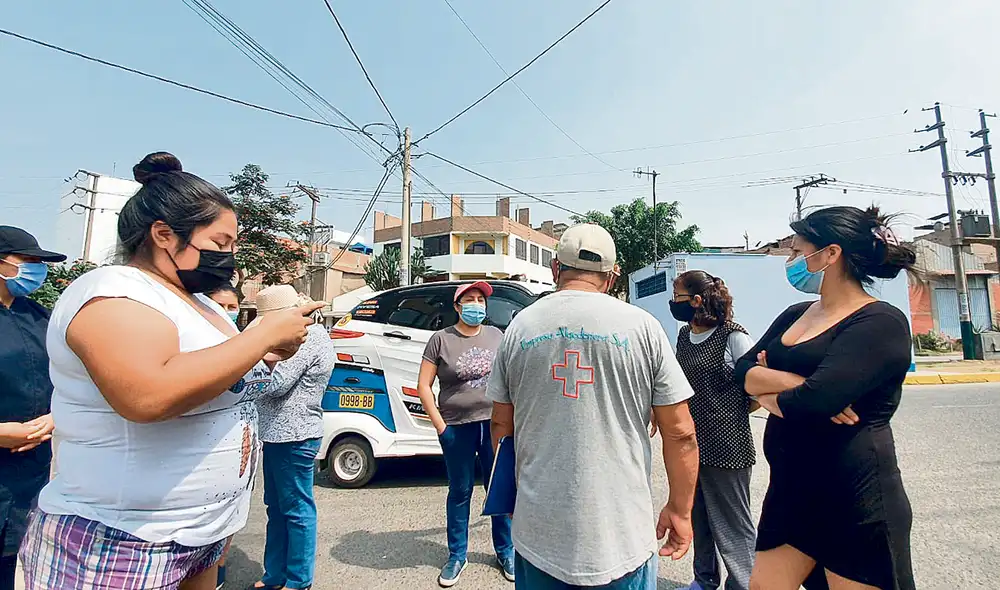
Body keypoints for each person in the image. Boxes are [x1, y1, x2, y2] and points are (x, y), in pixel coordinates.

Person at [19, 152, 322, 590]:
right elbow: (147, 395)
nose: (230, 256)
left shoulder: (198, 303)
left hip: (200, 532)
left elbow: (215, 370)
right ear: (163, 234)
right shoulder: (114, 293)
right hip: (123, 538)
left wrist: (269, 352)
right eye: (220, 242)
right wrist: (260, 338)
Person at [487, 224, 700, 590]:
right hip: (623, 537)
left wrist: (509, 496)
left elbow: (501, 427)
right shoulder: (643, 327)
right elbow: (680, 432)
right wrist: (680, 510)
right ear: (612, 276)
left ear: (556, 268)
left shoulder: (520, 328)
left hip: (540, 534)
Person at [733, 206, 916, 590]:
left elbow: (813, 402)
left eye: (798, 251)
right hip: (791, 493)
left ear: (831, 254)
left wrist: (766, 389)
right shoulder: (795, 313)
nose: (791, 260)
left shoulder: (880, 322)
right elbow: (741, 372)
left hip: (854, 498)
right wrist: (794, 383)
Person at [416, 280, 514, 587]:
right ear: (457, 307)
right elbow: (423, 386)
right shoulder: (441, 340)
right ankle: (457, 555)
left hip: (494, 424)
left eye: (481, 300)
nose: (476, 305)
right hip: (456, 427)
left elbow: (509, 378)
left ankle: (506, 550)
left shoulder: (496, 335)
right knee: (460, 492)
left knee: (498, 487)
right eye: (470, 300)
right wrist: (441, 427)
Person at [669, 270, 757, 590]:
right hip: (691, 443)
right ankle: (704, 580)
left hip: (728, 445)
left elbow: (757, 389)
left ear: (696, 300)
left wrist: (728, 415)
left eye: (677, 297)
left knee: (733, 523)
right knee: (700, 517)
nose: (673, 303)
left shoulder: (732, 336)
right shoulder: (684, 336)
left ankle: (744, 584)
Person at [248, 284, 335, 590]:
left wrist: (250, 358)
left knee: (296, 509)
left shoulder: (307, 338)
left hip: (294, 433)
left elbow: (276, 384)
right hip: (277, 433)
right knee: (276, 507)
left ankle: (298, 580)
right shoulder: (299, 336)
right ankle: (275, 574)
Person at [0, 226, 65, 590]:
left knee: (12, 563)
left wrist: (55, 417)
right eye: (27, 261)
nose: (36, 270)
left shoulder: (41, 317)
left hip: (29, 472)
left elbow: (69, 378)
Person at [205, 283, 241, 590]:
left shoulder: (242, 340)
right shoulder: (193, 339)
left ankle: (218, 571)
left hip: (237, 449)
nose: (228, 313)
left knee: (227, 521)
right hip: (203, 452)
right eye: (221, 305)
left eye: (233, 307)